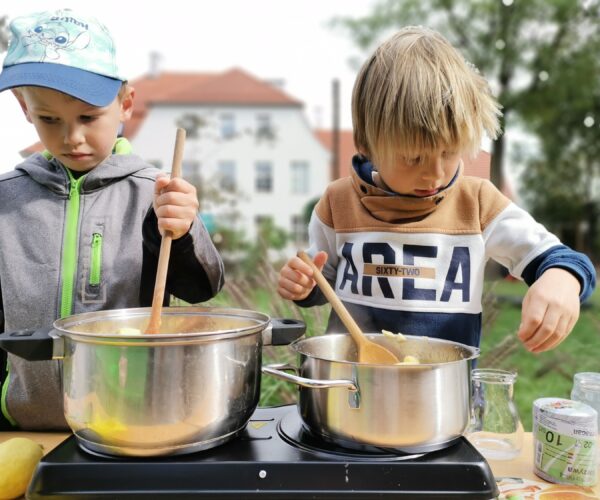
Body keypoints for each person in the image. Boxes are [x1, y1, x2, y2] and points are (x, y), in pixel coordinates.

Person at [278, 26, 596, 355]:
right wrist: (305, 286)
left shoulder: (478, 204)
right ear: (368, 144)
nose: (434, 174)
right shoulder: (337, 203)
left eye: (448, 152)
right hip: (352, 389)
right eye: (413, 158)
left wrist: (562, 280)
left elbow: (564, 259)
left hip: (443, 396)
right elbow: (324, 282)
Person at [0, 8, 225, 430]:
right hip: (22, 422)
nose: (72, 137)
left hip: (129, 420)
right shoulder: (5, 199)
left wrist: (184, 231)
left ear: (125, 105)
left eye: (88, 117)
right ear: (24, 108)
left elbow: (201, 289)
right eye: (50, 119)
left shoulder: (155, 194)